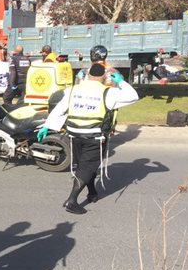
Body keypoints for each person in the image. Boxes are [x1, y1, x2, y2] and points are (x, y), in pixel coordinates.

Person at [37, 62, 139, 214]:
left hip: (74, 135)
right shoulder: (108, 93)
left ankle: (92, 192)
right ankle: (71, 200)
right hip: (94, 136)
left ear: (88, 75)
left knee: (84, 166)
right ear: (104, 77)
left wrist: (48, 125)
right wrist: (121, 82)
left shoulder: (73, 90)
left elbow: (60, 108)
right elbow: (133, 97)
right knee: (86, 168)